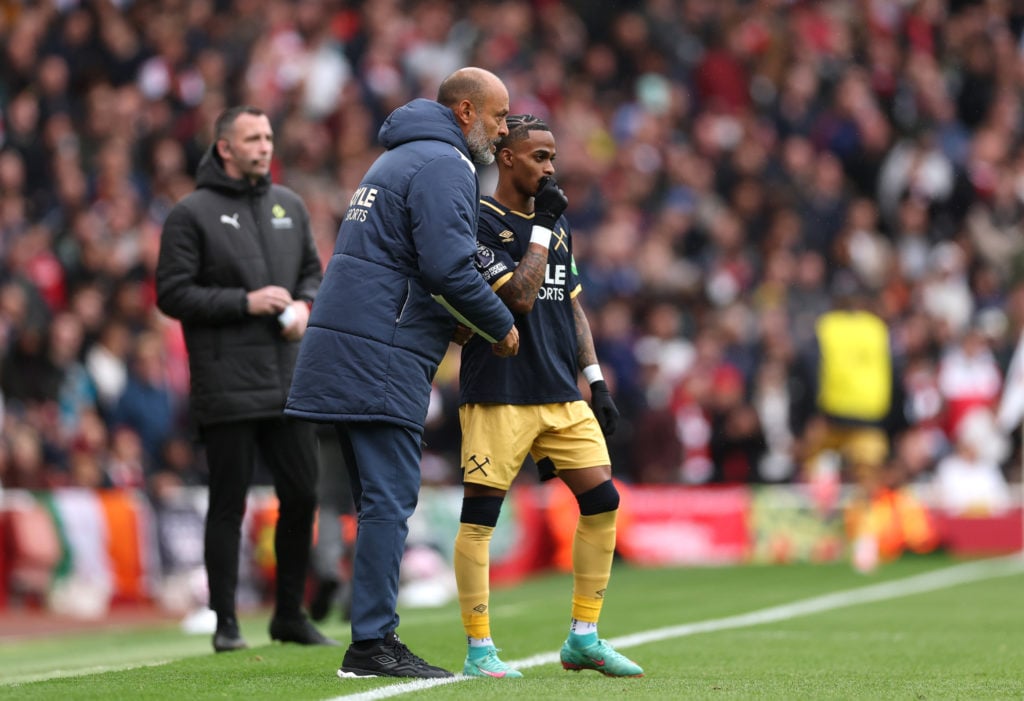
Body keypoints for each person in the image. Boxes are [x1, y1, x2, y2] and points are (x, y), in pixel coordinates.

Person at [285, 67, 520, 679]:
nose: (502, 131)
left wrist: (453, 324)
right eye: (497, 117)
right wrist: (499, 322)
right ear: (466, 112)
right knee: (390, 498)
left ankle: (369, 635)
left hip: (352, 344)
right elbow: (446, 265)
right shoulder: (446, 164)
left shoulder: (399, 158)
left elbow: (401, 262)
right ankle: (372, 644)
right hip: (379, 352)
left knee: (373, 500)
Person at [453, 114, 644, 678]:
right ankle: (479, 649)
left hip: (561, 390)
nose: (551, 167)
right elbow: (520, 296)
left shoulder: (555, 222)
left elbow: (571, 304)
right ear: (506, 158)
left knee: (603, 501)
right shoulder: (479, 222)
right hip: (500, 390)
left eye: (554, 157)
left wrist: (597, 379)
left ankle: (584, 636)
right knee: (481, 518)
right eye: (540, 157)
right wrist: (544, 228)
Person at [156, 105, 336, 653]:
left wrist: (305, 305)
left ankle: (288, 614)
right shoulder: (191, 213)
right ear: (225, 148)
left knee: (302, 495)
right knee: (229, 504)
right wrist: (246, 302)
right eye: (253, 137)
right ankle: (226, 622)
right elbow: (172, 293)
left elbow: (312, 271)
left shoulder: (289, 205)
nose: (264, 145)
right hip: (227, 382)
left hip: (289, 379)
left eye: (269, 135)